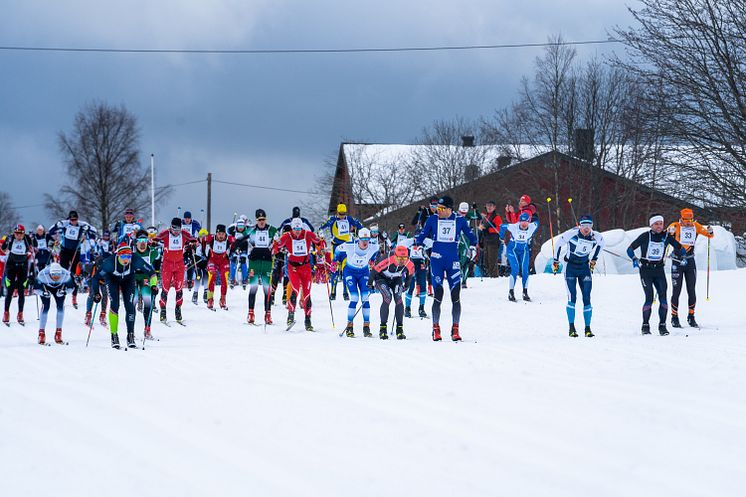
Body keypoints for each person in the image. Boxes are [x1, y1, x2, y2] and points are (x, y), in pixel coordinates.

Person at [415, 196, 478, 342]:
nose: (439, 211)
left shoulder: (459, 220)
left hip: (453, 262)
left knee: (455, 295)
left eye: (442, 209)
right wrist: (419, 245)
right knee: (438, 293)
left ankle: (455, 329)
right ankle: (435, 329)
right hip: (437, 260)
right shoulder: (432, 219)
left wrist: (474, 246)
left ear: (450, 209)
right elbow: (422, 235)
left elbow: (470, 235)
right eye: (437, 208)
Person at [627, 215, 685, 336]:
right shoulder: (645, 236)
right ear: (651, 225)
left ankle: (662, 326)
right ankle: (645, 325)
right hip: (645, 270)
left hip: (659, 270)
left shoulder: (666, 236)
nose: (659, 226)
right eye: (656, 224)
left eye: (661, 223)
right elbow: (629, 249)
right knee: (649, 297)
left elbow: (680, 247)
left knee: (663, 299)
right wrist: (634, 259)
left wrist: (683, 256)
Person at [91, 242, 157, 348]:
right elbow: (95, 278)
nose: (126, 259)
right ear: (118, 255)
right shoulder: (109, 263)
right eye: (123, 256)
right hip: (112, 280)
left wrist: (153, 285)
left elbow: (152, 272)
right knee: (115, 305)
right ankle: (114, 335)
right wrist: (96, 293)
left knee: (130, 306)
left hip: (128, 280)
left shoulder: (135, 259)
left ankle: (130, 335)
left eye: (128, 256)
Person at [552, 215, 605, 337]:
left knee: (587, 297)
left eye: (589, 226)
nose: (587, 229)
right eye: (584, 226)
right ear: (579, 225)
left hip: (584, 268)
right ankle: (572, 328)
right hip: (570, 268)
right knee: (572, 297)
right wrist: (555, 261)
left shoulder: (595, 236)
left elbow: (602, 244)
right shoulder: (572, 233)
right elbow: (559, 244)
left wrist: (594, 259)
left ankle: (587, 329)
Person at [273, 218, 323, 331]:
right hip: (293, 267)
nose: (297, 231)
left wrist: (321, 242)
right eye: (295, 228)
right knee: (295, 290)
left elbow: (319, 243)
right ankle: (291, 315)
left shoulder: (308, 234)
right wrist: (275, 243)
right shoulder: (287, 236)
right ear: (292, 228)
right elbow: (276, 248)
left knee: (306, 293)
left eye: (299, 228)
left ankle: (308, 320)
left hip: (305, 267)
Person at [667, 208, 714, 328]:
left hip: (690, 261)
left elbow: (710, 236)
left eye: (690, 219)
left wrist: (710, 231)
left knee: (691, 290)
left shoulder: (696, 226)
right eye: (686, 220)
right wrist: (670, 232)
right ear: (681, 218)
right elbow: (665, 237)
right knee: (676, 290)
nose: (688, 222)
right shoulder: (675, 225)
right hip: (677, 261)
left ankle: (691, 316)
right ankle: (674, 317)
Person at [334, 228, 379, 337]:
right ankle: (349, 327)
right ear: (358, 239)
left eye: (367, 239)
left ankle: (366, 327)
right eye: (362, 239)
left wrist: (372, 260)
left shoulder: (373, 246)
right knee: (354, 297)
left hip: (363, 272)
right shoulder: (350, 245)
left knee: (365, 298)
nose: (365, 242)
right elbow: (337, 250)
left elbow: (376, 252)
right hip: (350, 272)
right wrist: (335, 261)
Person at [49, 210, 97, 308]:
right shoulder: (65, 224)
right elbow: (51, 231)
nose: (73, 221)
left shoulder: (81, 225)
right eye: (72, 219)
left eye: (75, 219)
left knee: (75, 274)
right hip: (65, 251)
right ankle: (60, 295)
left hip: (76, 251)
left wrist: (87, 228)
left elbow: (94, 231)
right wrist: (57, 224)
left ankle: (74, 297)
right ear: (69, 219)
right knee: (63, 272)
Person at [240, 209, 278, 324]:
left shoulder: (272, 230)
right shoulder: (251, 230)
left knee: (267, 289)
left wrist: (276, 247)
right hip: (254, 262)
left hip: (266, 262)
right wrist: (237, 250)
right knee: (253, 287)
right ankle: (251, 313)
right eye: (259, 220)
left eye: (263, 219)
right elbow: (240, 240)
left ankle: (268, 315)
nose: (261, 222)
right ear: (256, 220)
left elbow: (278, 242)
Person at [319, 203, 363, 300]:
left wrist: (362, 233)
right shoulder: (332, 220)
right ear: (337, 212)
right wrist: (320, 232)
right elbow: (322, 226)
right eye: (340, 214)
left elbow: (360, 226)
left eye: (343, 214)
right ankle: (333, 292)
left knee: (346, 270)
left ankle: (345, 292)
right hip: (335, 248)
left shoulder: (349, 219)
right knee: (334, 270)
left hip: (346, 248)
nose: (342, 216)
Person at [155, 218, 195, 323]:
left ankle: (178, 309)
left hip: (179, 264)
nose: (176, 232)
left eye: (178, 229)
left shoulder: (184, 233)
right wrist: (154, 242)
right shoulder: (166, 233)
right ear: (171, 227)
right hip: (167, 264)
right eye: (174, 229)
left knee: (179, 287)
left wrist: (193, 243)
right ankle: (163, 310)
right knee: (165, 287)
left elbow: (192, 238)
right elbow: (156, 238)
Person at [370, 245, 414, 339]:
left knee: (398, 299)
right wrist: (370, 284)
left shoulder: (409, 264)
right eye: (399, 258)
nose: (402, 261)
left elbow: (409, 276)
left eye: (404, 258)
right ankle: (383, 329)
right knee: (387, 297)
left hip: (396, 279)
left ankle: (399, 329)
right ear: (395, 256)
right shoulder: (387, 259)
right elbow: (374, 271)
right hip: (381, 278)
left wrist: (406, 286)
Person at [34, 262, 76, 345]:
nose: (56, 277)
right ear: (49, 273)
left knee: (60, 307)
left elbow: (72, 288)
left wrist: (64, 292)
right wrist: (43, 293)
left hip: (60, 288)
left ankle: (58, 333)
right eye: (53, 275)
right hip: (45, 288)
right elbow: (35, 289)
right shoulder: (42, 275)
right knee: (46, 307)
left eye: (58, 274)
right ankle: (41, 333)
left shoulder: (66, 275)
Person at [502, 212, 539, 301]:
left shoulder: (532, 226)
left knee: (525, 270)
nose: (523, 223)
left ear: (528, 221)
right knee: (515, 269)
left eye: (525, 221)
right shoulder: (514, 226)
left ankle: (525, 292)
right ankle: (511, 292)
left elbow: (537, 222)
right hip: (512, 249)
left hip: (524, 250)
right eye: (521, 221)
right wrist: (501, 237)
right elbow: (502, 226)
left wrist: (534, 215)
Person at [2, 225, 34, 326]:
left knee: (21, 290)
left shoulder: (27, 238)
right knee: (10, 290)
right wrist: (6, 242)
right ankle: (6, 313)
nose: (18, 236)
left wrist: (32, 241)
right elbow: (3, 248)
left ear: (23, 233)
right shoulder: (10, 238)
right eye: (16, 233)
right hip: (11, 265)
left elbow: (34, 245)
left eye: (20, 234)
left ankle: (20, 313)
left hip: (23, 265)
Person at [133, 230, 160, 340]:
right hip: (133, 277)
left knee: (148, 302)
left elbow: (157, 260)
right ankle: (131, 331)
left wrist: (154, 284)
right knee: (132, 304)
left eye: (144, 240)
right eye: (140, 241)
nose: (142, 243)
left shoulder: (152, 252)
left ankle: (147, 329)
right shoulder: (131, 252)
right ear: (136, 242)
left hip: (146, 278)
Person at [203, 224, 234, 310]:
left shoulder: (229, 239)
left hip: (223, 260)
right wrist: (203, 254)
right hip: (212, 260)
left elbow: (237, 242)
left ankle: (223, 299)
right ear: (216, 233)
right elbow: (201, 240)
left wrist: (232, 252)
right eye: (219, 234)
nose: (221, 236)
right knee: (212, 277)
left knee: (224, 278)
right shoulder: (210, 238)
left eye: (223, 234)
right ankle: (210, 299)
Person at [478, 200, 503, 277]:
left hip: (493, 241)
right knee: (486, 261)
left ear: (494, 207)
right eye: (488, 205)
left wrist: (486, 229)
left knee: (492, 260)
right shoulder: (485, 217)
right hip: (486, 240)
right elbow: (481, 227)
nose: (489, 207)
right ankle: (489, 276)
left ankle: (494, 277)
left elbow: (499, 229)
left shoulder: (496, 217)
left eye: (491, 206)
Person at [404, 239, 428, 318]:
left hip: (421, 263)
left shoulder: (424, 242)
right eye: (416, 237)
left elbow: (431, 244)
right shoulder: (410, 242)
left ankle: (421, 308)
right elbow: (402, 244)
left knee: (423, 285)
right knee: (411, 286)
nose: (417, 240)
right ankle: (407, 308)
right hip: (412, 262)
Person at [228, 218, 249, 288]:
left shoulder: (246, 232)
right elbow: (228, 231)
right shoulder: (233, 232)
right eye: (239, 226)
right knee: (233, 261)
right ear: (236, 226)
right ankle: (232, 279)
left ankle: (244, 279)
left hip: (243, 248)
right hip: (234, 249)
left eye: (242, 227)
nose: (240, 228)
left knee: (243, 261)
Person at [191, 229, 210, 305]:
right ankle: (195, 293)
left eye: (204, 236)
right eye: (201, 236)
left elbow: (210, 253)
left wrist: (207, 257)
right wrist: (192, 252)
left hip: (205, 263)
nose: (203, 238)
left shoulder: (208, 243)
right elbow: (191, 253)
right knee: (198, 276)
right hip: (197, 263)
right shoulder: (195, 243)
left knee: (206, 275)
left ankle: (206, 292)